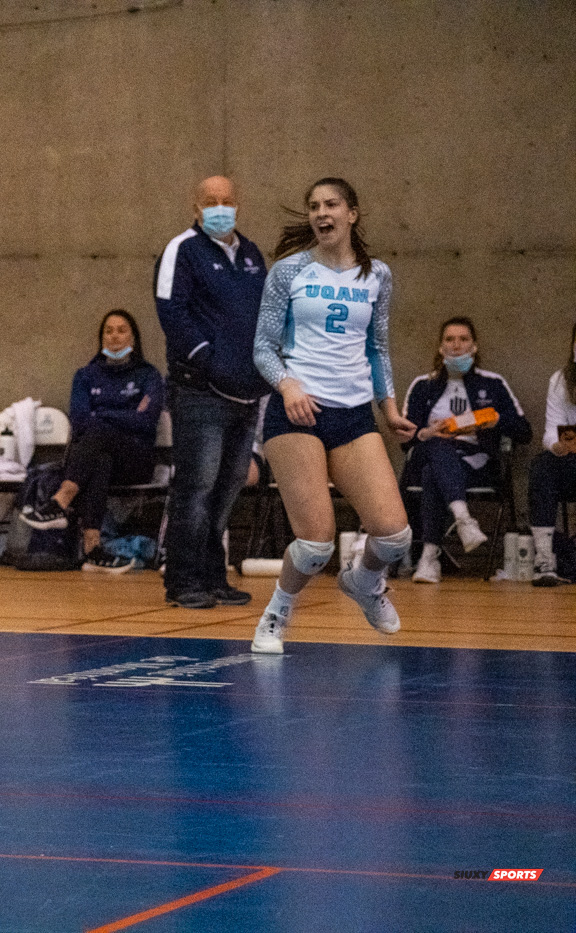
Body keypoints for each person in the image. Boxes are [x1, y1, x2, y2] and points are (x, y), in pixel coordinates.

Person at [250, 177, 416, 654]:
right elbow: (262, 346)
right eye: (314, 206)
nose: (322, 213)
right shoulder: (289, 271)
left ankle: (363, 582)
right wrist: (287, 385)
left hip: (353, 415)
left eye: (331, 205)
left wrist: (389, 408)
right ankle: (277, 614)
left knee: (394, 536)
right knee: (316, 545)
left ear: (352, 214)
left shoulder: (377, 275)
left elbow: (378, 347)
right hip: (297, 413)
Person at [154, 176, 271, 609]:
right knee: (196, 489)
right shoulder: (181, 250)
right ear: (196, 205)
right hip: (199, 392)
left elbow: (267, 314)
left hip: (247, 395)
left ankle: (212, 576)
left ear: (238, 205)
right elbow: (172, 313)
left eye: (227, 201)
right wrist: (209, 360)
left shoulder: (253, 254)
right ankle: (183, 581)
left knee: (227, 490)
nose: (219, 207)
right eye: (210, 201)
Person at [20, 309, 164, 571]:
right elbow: (79, 421)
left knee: (98, 431)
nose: (114, 337)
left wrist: (103, 414)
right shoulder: (86, 376)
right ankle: (93, 549)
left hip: (136, 460)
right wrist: (124, 415)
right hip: (96, 460)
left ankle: (60, 501)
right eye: (108, 331)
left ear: (133, 337)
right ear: (101, 337)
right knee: (100, 460)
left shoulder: (148, 376)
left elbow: (145, 421)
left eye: (122, 330)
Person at [401, 316, 529, 583]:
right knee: (438, 446)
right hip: (430, 451)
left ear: (474, 346)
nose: (456, 345)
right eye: (449, 339)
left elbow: (524, 430)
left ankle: (428, 557)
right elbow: (406, 438)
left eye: (463, 339)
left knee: (431, 474)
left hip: (475, 462)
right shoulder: (422, 385)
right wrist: (426, 432)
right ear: (440, 347)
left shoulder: (492, 383)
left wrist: (495, 421)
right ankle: (464, 521)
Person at [527, 322, 576, 586]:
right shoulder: (560, 380)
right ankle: (545, 559)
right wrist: (556, 446)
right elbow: (549, 433)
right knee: (543, 466)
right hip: (571, 461)